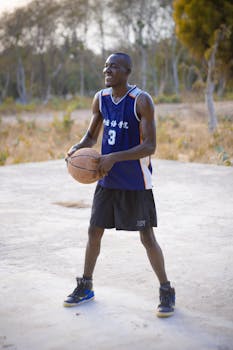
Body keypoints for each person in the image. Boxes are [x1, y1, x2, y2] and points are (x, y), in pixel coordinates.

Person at [64, 52, 175, 317]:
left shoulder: (141, 101)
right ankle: (86, 285)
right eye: (105, 66)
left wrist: (114, 156)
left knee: (147, 237)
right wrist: (76, 149)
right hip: (106, 178)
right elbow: (91, 136)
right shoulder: (100, 99)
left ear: (127, 72)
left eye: (113, 67)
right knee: (94, 232)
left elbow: (151, 145)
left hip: (135, 181)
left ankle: (166, 290)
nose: (107, 70)